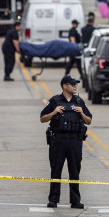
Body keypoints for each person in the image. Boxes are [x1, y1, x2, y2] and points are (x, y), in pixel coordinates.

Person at [40, 75, 92, 209]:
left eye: (76, 84)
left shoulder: (79, 101)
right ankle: (53, 200)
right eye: (72, 84)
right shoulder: (55, 101)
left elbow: (89, 121)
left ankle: (75, 201)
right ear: (64, 86)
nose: (75, 86)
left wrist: (82, 113)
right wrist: (54, 112)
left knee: (75, 171)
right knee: (56, 170)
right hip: (58, 140)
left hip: (75, 140)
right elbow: (42, 118)